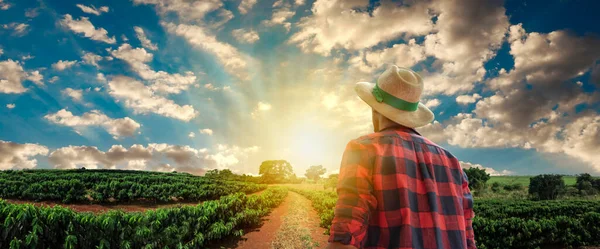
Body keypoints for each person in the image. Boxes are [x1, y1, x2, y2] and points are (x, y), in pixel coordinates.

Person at [326, 65, 476, 249]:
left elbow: (346, 235)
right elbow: (468, 238)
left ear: (375, 109)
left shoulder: (364, 149)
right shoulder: (452, 161)